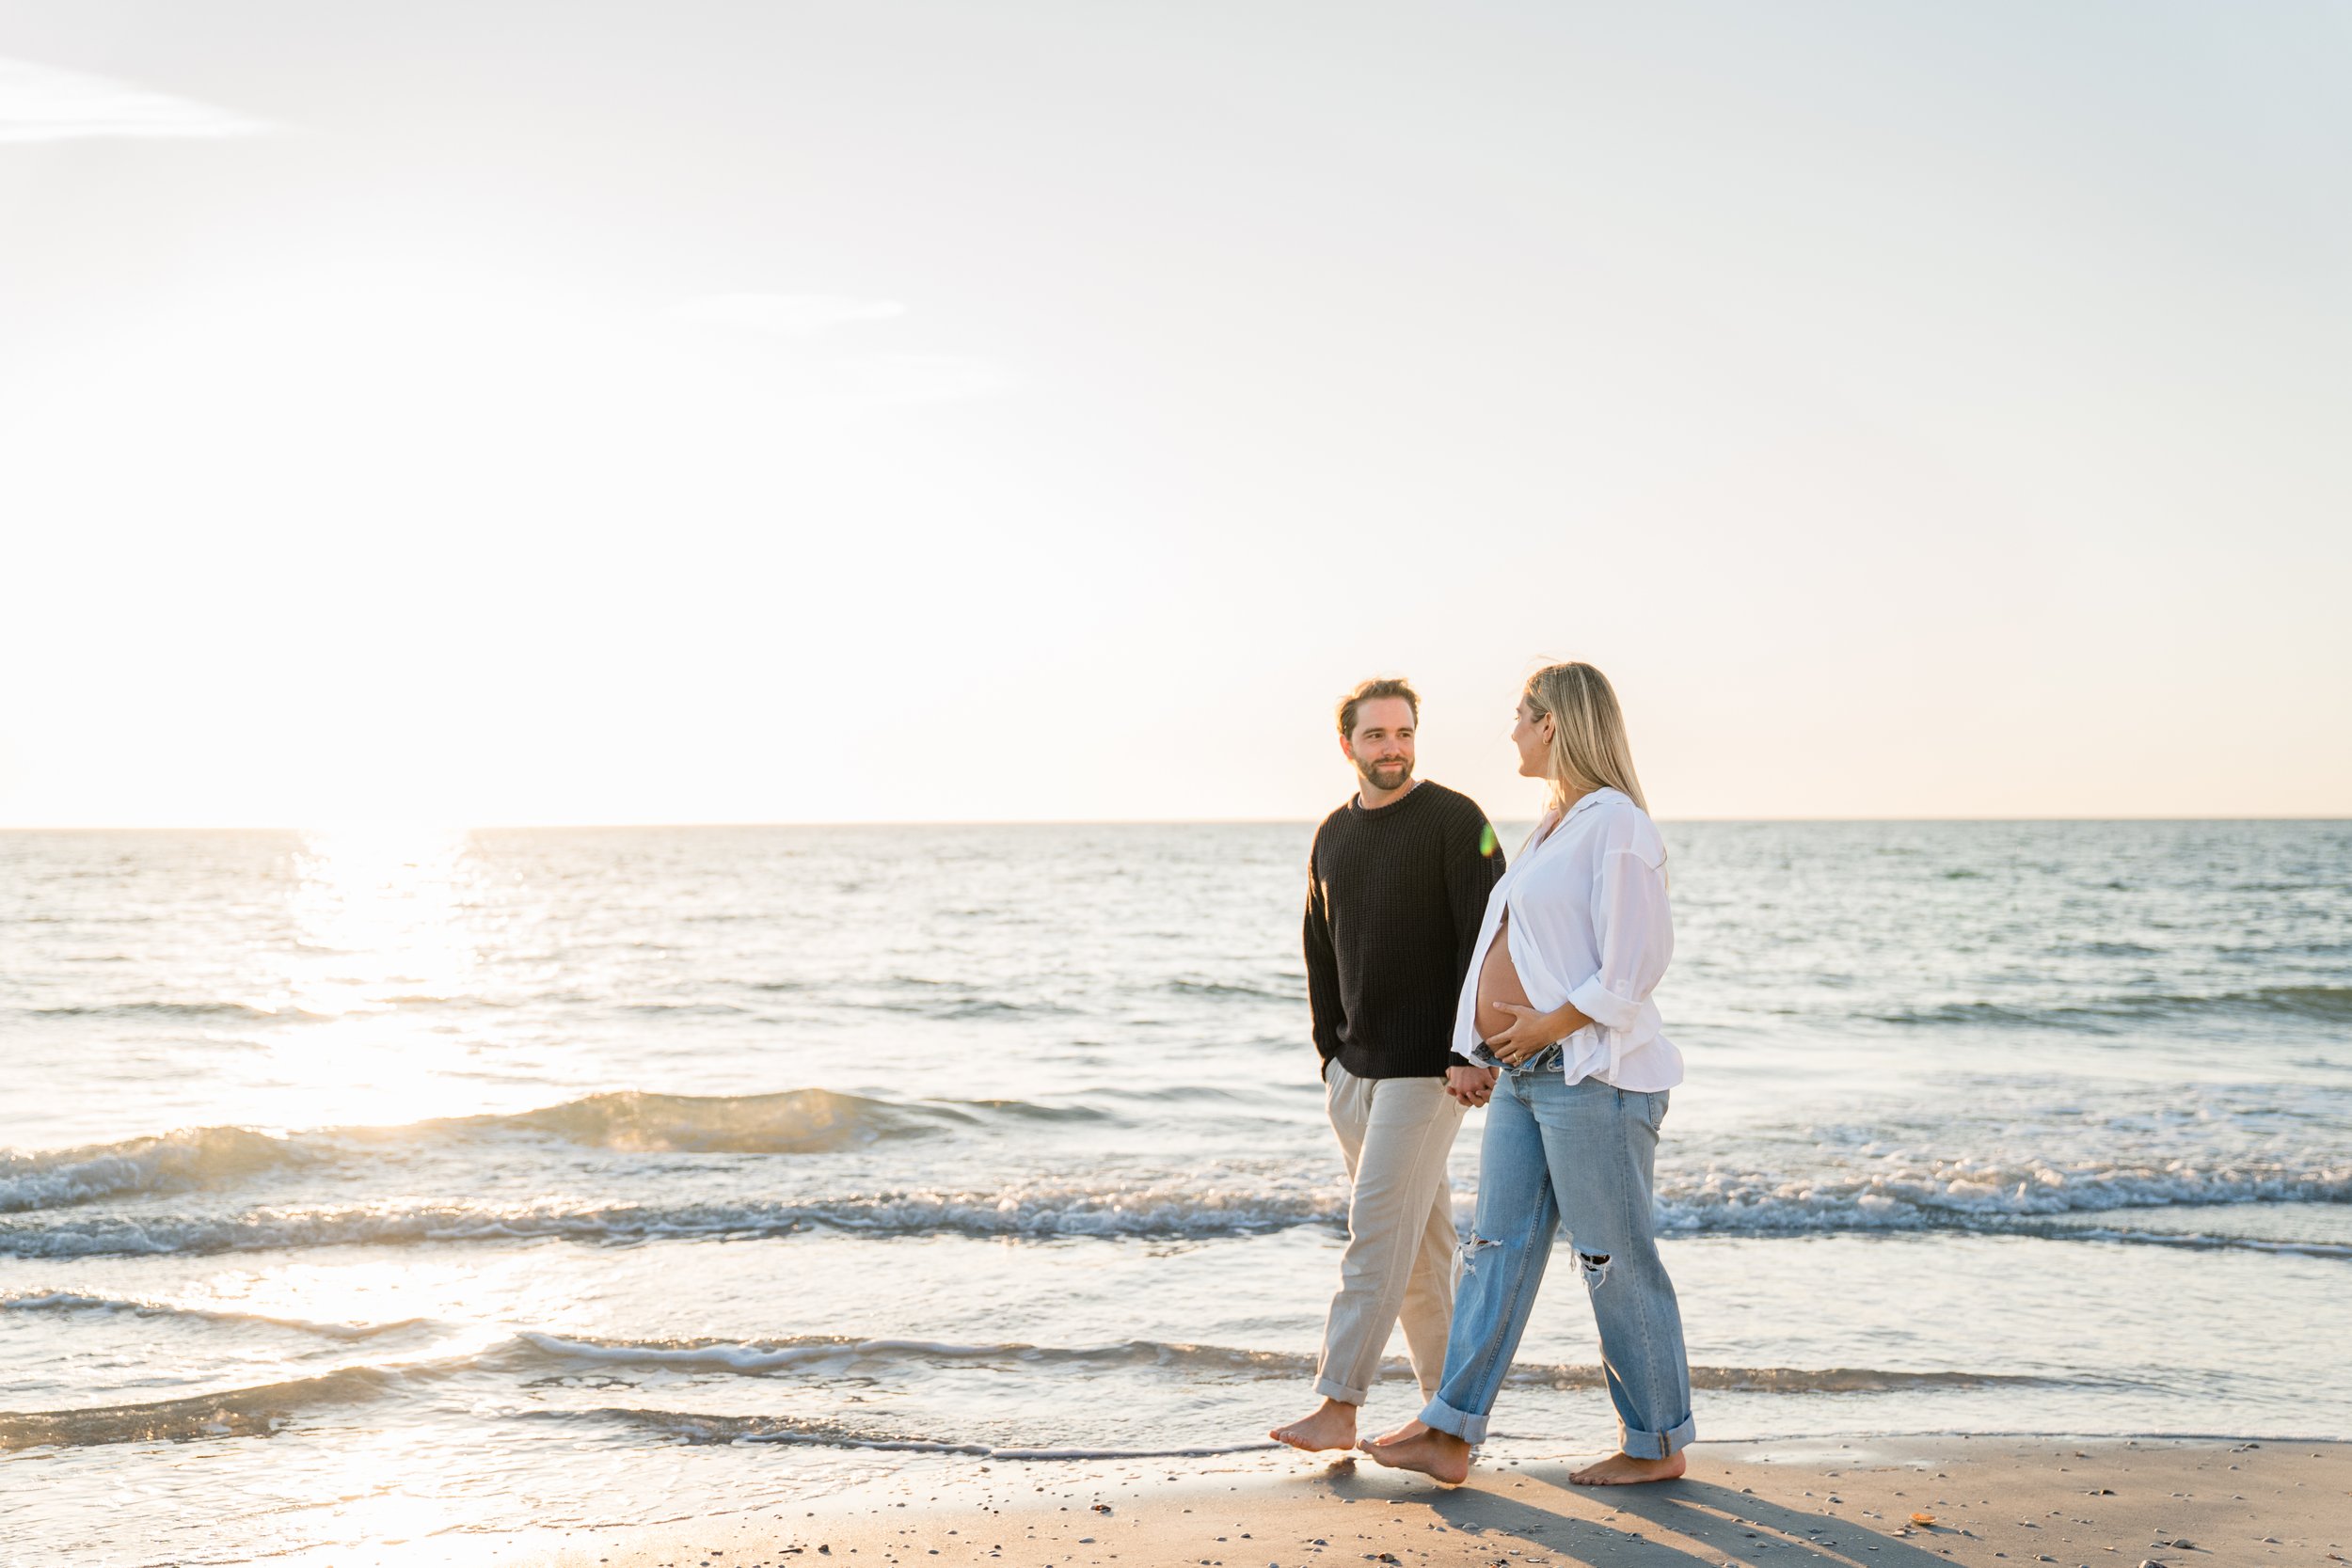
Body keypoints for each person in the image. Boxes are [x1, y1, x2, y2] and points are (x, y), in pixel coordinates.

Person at [1361, 660, 1694, 1487]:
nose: (1510, 728)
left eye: (1521, 715)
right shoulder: (1554, 825)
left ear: (1554, 723)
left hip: (1594, 1074)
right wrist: (1476, 1050)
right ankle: (1449, 1431)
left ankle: (1657, 1442)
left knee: (1613, 1257)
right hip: (1523, 1073)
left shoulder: (1617, 824)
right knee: (1492, 1248)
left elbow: (1635, 965)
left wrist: (1548, 1024)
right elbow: (1504, 942)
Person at [1269, 677, 1505, 1453]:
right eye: (1376, 736)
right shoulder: (1331, 835)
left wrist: (1471, 1050)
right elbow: (1317, 948)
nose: (1393, 748)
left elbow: (1492, 942)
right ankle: (1449, 1423)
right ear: (1348, 747)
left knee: (1374, 1231)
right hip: (1354, 1075)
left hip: (1427, 1075)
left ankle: (1339, 1403)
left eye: (1403, 733)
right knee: (1418, 1251)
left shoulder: (1454, 821)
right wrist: (1329, 1056)